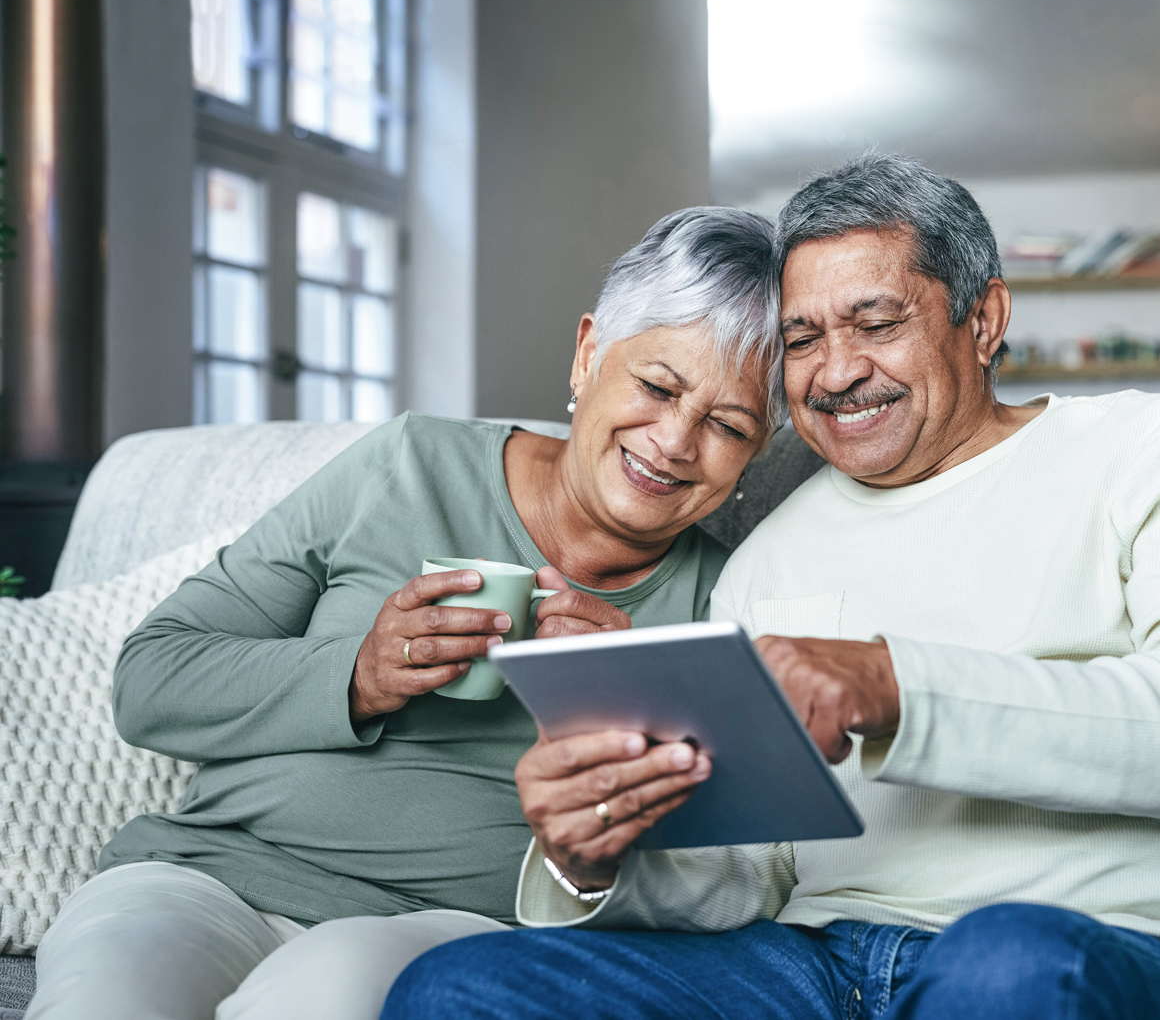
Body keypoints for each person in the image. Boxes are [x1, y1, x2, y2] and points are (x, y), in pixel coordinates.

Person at [382, 153, 1160, 1020]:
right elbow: (746, 872)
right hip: (817, 968)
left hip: (1120, 949)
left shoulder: (1156, 450)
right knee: (457, 987)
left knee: (1003, 963)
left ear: (984, 319)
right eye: (802, 339)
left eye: (876, 324)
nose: (837, 371)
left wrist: (893, 686)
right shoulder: (766, 561)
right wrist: (597, 858)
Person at [24, 207, 783, 1020]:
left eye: (727, 425)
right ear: (589, 352)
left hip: (446, 930)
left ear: (759, 446)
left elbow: (734, 881)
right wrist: (359, 674)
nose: (673, 440)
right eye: (658, 386)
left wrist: (635, 698)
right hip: (204, 876)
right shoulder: (407, 464)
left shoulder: (726, 598)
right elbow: (151, 679)